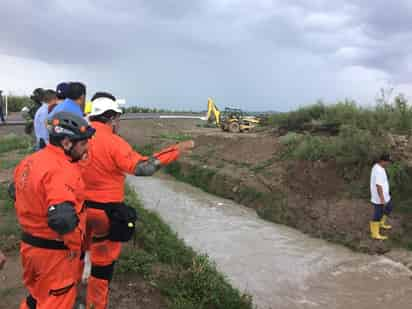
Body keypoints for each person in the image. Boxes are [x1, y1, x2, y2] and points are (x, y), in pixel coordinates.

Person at [81, 93, 194, 309]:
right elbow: (144, 167)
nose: (118, 123)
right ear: (111, 118)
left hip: (77, 209)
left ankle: (67, 298)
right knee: (102, 269)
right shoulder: (114, 143)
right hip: (105, 215)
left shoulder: (77, 138)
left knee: (75, 256)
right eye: (117, 119)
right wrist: (175, 151)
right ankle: (94, 305)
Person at [14, 112, 95, 308]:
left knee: (36, 296)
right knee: (56, 300)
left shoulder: (30, 161)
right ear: (67, 143)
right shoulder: (62, 169)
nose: (87, 149)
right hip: (55, 256)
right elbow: (62, 220)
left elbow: (15, 191)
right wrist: (75, 247)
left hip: (30, 248)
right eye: (83, 144)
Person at [370, 153, 393, 240]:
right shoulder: (378, 170)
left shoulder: (379, 167)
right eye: (388, 162)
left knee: (389, 207)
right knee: (377, 214)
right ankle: (375, 234)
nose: (389, 164)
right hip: (379, 198)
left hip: (385, 195)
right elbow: (378, 186)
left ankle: (381, 224)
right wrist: (382, 199)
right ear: (383, 161)